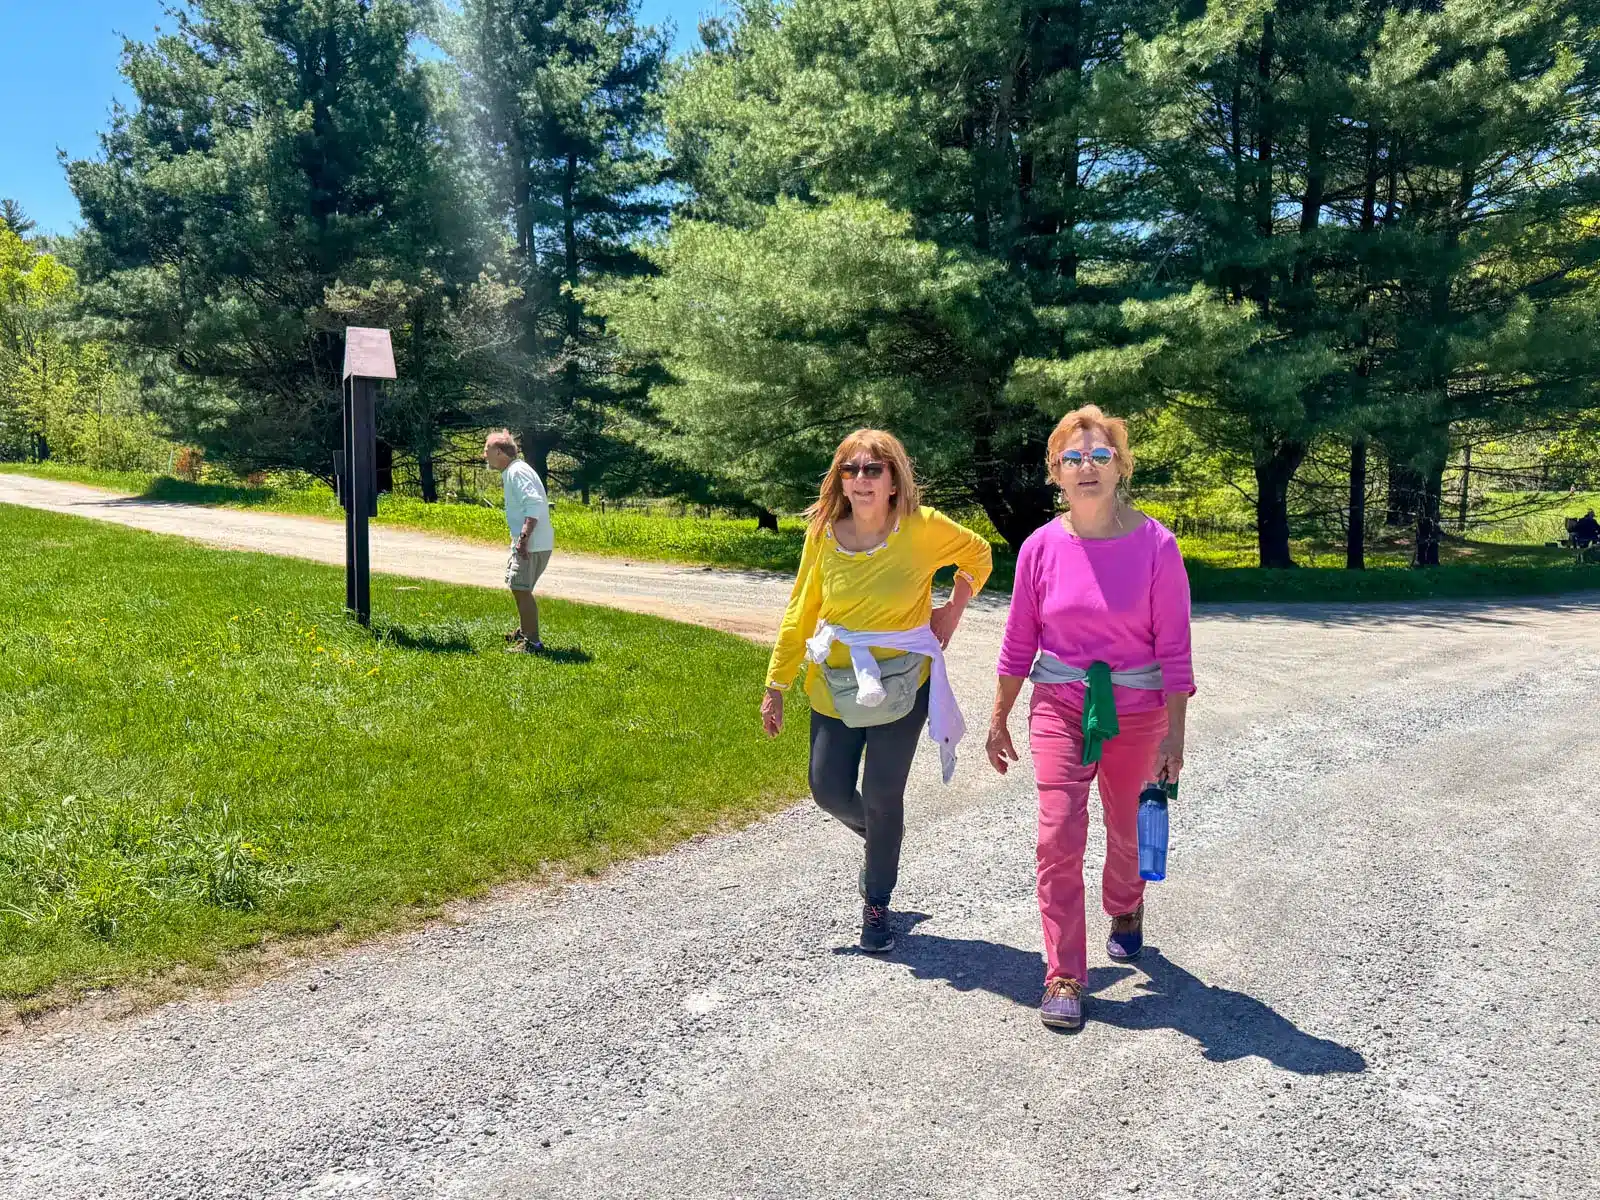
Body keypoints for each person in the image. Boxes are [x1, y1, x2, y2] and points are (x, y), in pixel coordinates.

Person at [985, 405, 1195, 1031]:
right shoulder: (1039, 548)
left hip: (1137, 708)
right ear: (1055, 473)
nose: (1087, 468)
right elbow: (1019, 641)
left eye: (1100, 456)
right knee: (1056, 834)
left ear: (1121, 467)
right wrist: (999, 716)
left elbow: (1175, 648)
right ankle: (1064, 974)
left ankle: (1125, 908)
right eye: (1073, 458)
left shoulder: (1157, 545)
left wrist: (1175, 735)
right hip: (1059, 703)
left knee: (1126, 829)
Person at [762, 430, 992, 953]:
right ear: (839, 478)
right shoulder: (824, 531)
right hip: (836, 683)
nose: (860, 480)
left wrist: (951, 610)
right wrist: (776, 683)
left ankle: (877, 903)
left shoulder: (923, 527)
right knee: (828, 790)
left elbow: (978, 556)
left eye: (872, 470)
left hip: (903, 683)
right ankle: (882, 840)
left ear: (894, 479)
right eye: (850, 470)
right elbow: (802, 607)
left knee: (885, 794)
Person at [483, 430, 554, 653]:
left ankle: (532, 642)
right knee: (519, 587)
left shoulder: (517, 472)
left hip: (531, 543)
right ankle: (525, 631)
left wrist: (523, 540)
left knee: (521, 588)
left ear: (499, 452)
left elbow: (533, 506)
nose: (484, 455)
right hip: (532, 542)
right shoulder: (513, 471)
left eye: (487, 450)